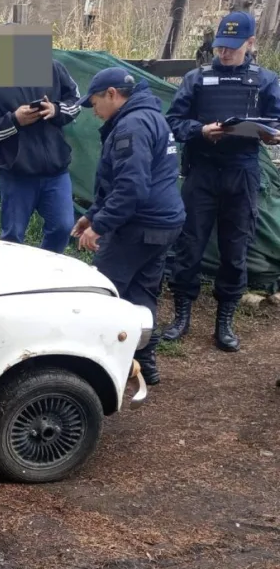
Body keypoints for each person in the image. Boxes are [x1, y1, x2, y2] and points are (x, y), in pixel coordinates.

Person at [163, 11, 280, 352]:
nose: (224, 53)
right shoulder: (196, 78)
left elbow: (276, 121)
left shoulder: (266, 80)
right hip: (202, 171)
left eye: (232, 47)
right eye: (220, 47)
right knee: (189, 245)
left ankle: (224, 322)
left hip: (241, 173)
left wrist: (273, 136)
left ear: (250, 43)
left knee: (235, 249)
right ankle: (181, 316)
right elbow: (173, 121)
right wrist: (199, 130)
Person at [72, 68, 185, 385]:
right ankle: (145, 363)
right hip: (164, 224)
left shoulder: (130, 127)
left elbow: (131, 188)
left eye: (94, 103)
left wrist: (100, 226)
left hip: (140, 225)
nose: (94, 112)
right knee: (141, 294)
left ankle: (94, 369)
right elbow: (118, 183)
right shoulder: (150, 115)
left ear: (111, 94)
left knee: (104, 292)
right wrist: (93, 214)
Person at [0, 58, 82, 253]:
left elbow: (76, 101)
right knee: (12, 238)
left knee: (63, 228)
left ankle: (45, 274)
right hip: (16, 175)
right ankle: (13, 280)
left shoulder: (52, 69)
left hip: (56, 172)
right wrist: (14, 120)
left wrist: (56, 109)